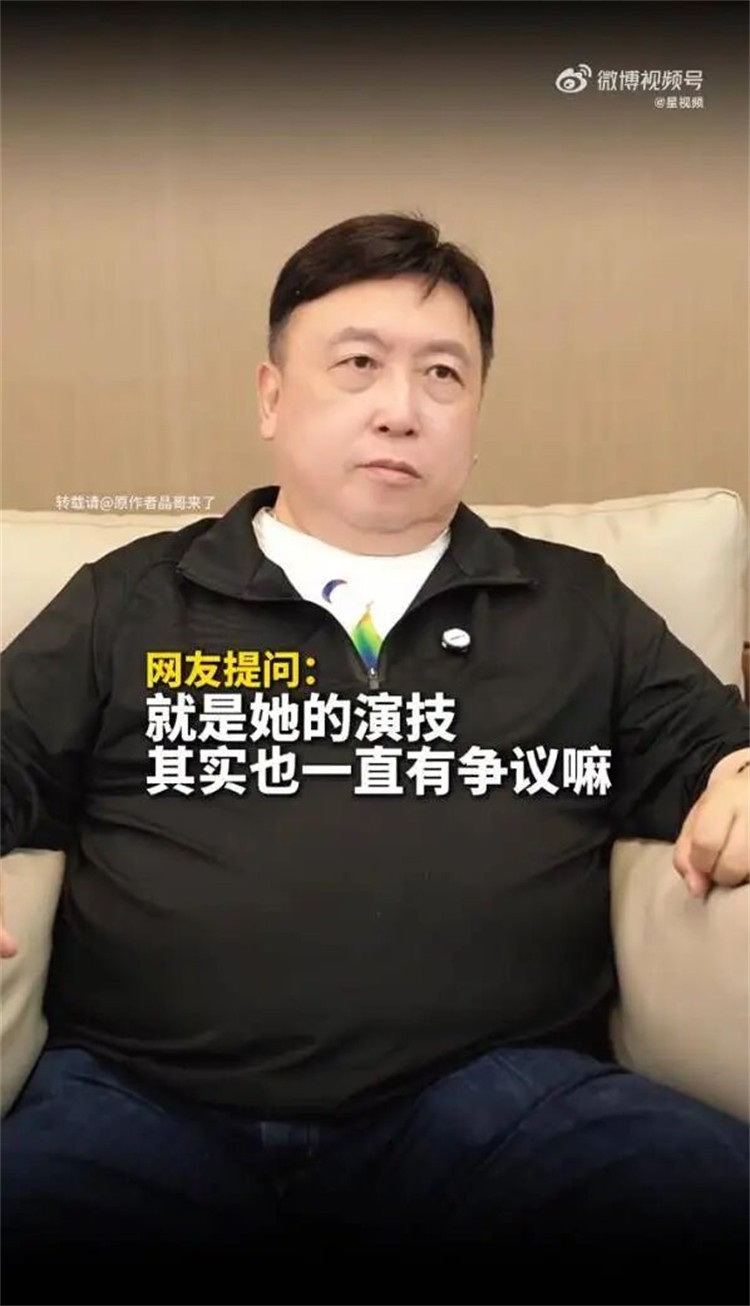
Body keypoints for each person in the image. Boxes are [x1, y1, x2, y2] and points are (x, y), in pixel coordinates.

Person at [1, 213, 748, 1305]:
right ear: (271, 397)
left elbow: (714, 753)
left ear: (475, 415)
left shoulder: (575, 604)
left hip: (499, 1102)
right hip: (138, 1099)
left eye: (443, 374)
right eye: (358, 364)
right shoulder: (133, 598)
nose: (402, 407)